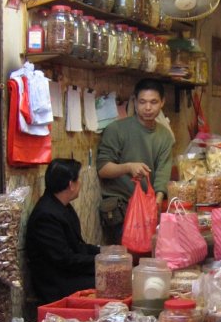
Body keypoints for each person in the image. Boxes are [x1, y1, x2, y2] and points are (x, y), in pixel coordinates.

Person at [96, 78, 173, 243]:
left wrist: (157, 202)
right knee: (127, 260)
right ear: (135, 102)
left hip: (148, 208)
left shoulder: (164, 136)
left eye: (153, 102)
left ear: (162, 103)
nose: (148, 108)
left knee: (150, 257)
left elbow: (163, 171)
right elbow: (103, 169)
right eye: (142, 102)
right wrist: (128, 167)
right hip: (121, 208)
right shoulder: (116, 129)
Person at [26, 158, 100, 304]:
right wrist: (102, 263)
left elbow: (77, 246)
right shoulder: (46, 215)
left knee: (117, 275)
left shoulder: (62, 206)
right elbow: (65, 260)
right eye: (79, 180)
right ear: (71, 185)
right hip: (56, 283)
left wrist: (103, 252)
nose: (81, 184)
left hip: (68, 273)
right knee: (111, 281)